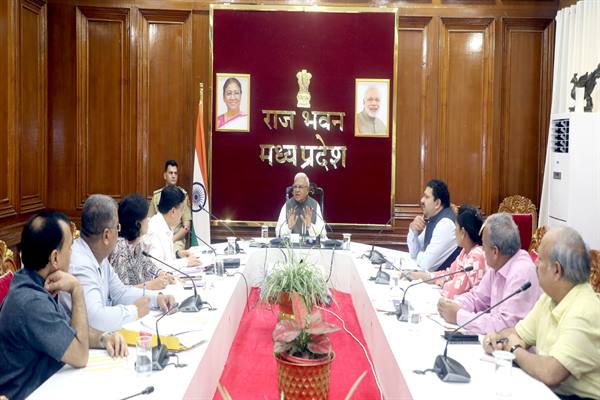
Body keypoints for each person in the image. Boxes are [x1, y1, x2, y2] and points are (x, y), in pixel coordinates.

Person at [0, 211, 127, 400]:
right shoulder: (31, 302)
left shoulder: (33, 282)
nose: (72, 254)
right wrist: (77, 290)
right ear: (55, 258)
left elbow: (69, 333)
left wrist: (104, 338)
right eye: (70, 248)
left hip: (52, 384)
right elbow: (80, 356)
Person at [483, 227, 600, 400]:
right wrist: (497, 338)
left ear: (557, 270)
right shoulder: (550, 298)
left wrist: (514, 349)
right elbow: (517, 334)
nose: (535, 263)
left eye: (541, 259)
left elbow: (550, 373)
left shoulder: (584, 310)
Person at [66, 194, 176, 332]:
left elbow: (120, 293)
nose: (119, 233)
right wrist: (135, 311)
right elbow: (95, 318)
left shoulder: (98, 256)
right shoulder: (80, 264)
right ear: (106, 235)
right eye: (117, 228)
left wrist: (157, 298)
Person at [437, 213, 541, 334]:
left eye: (484, 245)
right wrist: (454, 304)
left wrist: (458, 316)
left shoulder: (522, 273)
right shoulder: (498, 264)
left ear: (495, 252)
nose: (482, 250)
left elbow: (505, 325)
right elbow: (477, 298)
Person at [407, 204, 487, 299]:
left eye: (456, 227)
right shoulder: (465, 252)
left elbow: (453, 292)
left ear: (463, 233)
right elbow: (447, 274)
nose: (454, 231)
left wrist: (443, 283)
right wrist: (416, 275)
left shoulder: (476, 256)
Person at [109, 194, 175, 289]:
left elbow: (147, 265)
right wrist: (150, 285)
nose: (148, 220)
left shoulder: (136, 243)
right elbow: (121, 292)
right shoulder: (120, 250)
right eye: (146, 217)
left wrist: (163, 274)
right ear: (138, 224)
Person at [407, 179, 460, 271]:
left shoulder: (445, 224)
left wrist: (419, 255)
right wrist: (413, 230)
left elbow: (426, 264)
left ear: (437, 203)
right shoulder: (433, 219)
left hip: (443, 279)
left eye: (426, 197)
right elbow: (414, 253)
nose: (422, 200)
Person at [146, 185, 201, 269]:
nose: (182, 213)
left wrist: (178, 254)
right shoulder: (155, 230)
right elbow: (157, 267)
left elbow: (167, 258)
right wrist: (186, 262)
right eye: (182, 210)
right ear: (173, 211)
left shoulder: (165, 224)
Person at [148, 160, 192, 258]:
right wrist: (166, 240)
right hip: (160, 236)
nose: (173, 176)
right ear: (165, 175)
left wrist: (170, 239)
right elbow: (149, 220)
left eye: (175, 173)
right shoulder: (157, 195)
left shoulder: (183, 196)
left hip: (176, 238)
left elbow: (186, 226)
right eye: (170, 173)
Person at [276, 172, 326, 238]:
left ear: (307, 190)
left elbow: (323, 234)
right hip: (292, 244)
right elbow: (277, 233)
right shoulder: (287, 205)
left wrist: (310, 226)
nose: (297, 190)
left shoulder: (315, 205)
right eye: (295, 187)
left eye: (300, 187)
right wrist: (288, 227)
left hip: (310, 244)